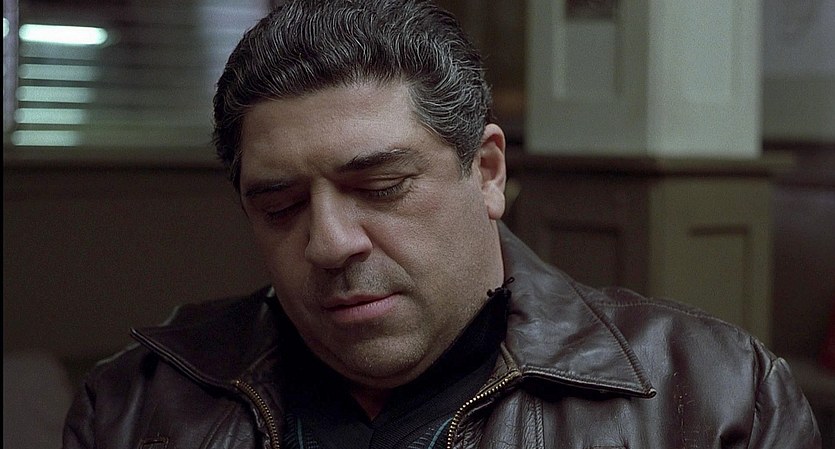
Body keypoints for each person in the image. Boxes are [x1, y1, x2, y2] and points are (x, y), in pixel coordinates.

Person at [63, 0, 821, 448]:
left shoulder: (718, 397)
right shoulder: (132, 407)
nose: (329, 243)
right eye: (280, 207)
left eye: (382, 187)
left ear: (486, 173)